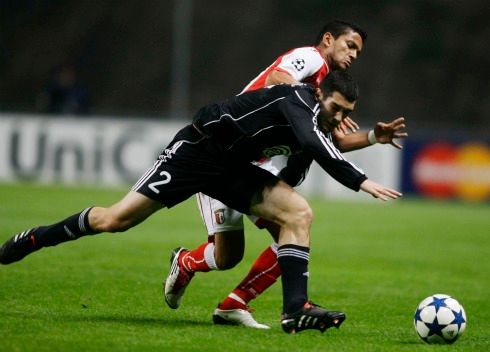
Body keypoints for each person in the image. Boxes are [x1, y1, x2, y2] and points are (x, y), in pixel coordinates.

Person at [0, 71, 402, 333]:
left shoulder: (315, 121)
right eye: (335, 109)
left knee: (298, 212)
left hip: (232, 168)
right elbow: (317, 142)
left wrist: (366, 138)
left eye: (346, 113)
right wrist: (361, 180)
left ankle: (295, 308)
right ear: (319, 94)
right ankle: (34, 238)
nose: (338, 117)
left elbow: (310, 152)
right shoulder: (297, 101)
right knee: (114, 220)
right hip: (196, 150)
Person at [163, 20, 404, 329]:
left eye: (359, 51)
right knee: (226, 257)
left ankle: (235, 303)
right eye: (350, 45)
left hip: (255, 165)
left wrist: (372, 137)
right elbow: (279, 77)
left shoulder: (328, 91)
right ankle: (186, 262)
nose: (355, 55)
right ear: (328, 39)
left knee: (290, 233)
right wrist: (312, 103)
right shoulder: (312, 59)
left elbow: (333, 143)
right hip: (222, 156)